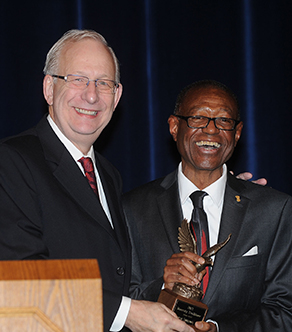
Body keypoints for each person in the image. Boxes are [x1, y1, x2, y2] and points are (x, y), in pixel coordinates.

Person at [0, 29, 195, 332]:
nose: (91, 94)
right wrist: (126, 314)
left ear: (117, 96)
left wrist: (216, 190)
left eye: (103, 83)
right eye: (77, 79)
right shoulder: (9, 162)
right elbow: (18, 281)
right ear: (49, 88)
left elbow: (115, 278)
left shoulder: (108, 175)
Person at [122, 80, 292, 332]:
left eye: (224, 121)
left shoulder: (273, 210)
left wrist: (218, 329)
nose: (211, 131)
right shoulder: (132, 208)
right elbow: (116, 304)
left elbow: (284, 311)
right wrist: (163, 286)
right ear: (174, 127)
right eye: (198, 118)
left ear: (237, 133)